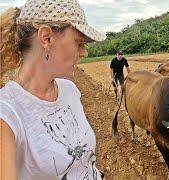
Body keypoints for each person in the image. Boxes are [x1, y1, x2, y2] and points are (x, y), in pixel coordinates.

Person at [0, 0, 106, 179]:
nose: (84, 52)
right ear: (46, 38)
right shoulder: (7, 115)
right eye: (79, 42)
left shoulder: (69, 90)